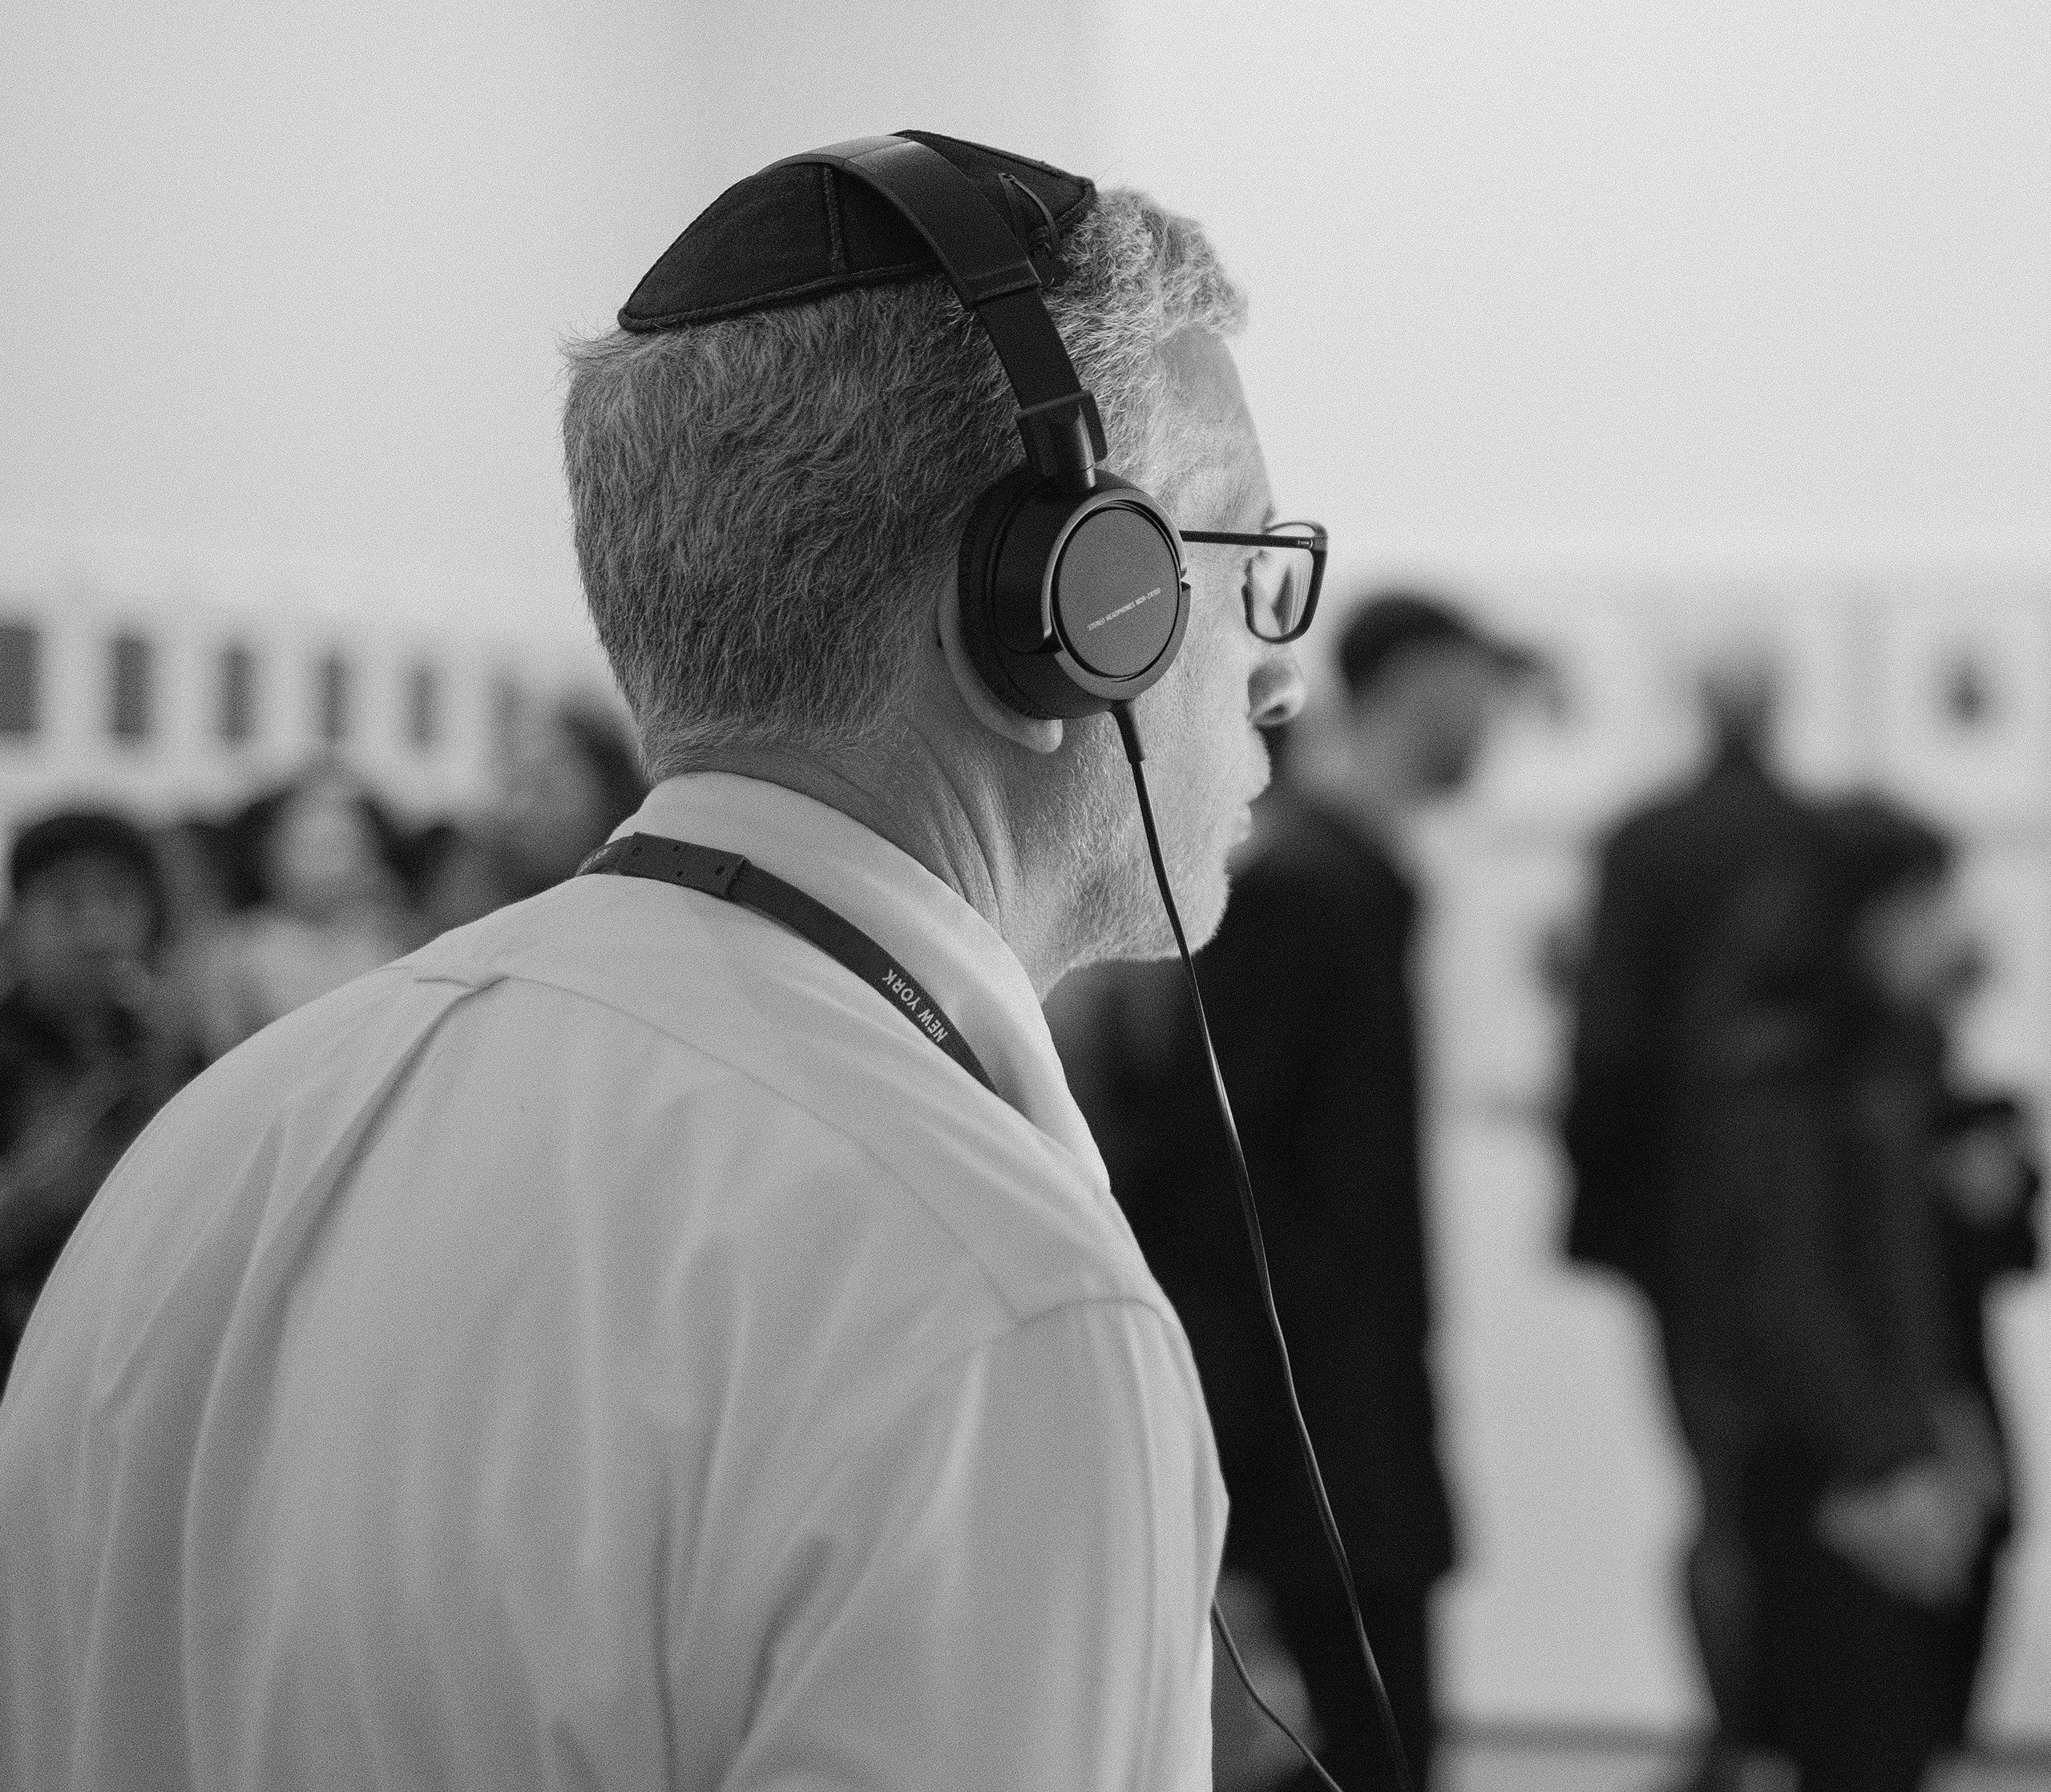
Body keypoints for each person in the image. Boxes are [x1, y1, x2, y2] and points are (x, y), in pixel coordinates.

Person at [0, 134, 1307, 1790]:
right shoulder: (991, 1305)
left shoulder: (214, 1153)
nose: (1277, 681)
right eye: (1244, 564)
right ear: (1062, 607)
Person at [1090, 591, 1534, 1792]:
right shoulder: (1309, 891)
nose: (1493, 716)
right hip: (1317, 1430)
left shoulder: (1352, 879)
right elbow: (1213, 1173)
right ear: (1418, 680)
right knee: (1362, 1749)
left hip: (1352, 1412)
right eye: (1480, 683)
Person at [1678, 797, 2044, 1792]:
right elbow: (1792, 1297)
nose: (1948, 933)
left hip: (1891, 1441)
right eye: (1927, 907)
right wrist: (1891, 1459)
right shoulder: (1780, 1077)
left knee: (1898, 1741)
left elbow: (1946, 1265)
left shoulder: (1888, 1064)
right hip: (1825, 1464)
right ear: (1860, 918)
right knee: (1862, 1745)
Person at [1562, 640, 1823, 1790]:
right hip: (1796, 1214)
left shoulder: (1648, 841)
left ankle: (1739, 1729)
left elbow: (1608, 1041)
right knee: (1786, 1476)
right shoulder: (1818, 841)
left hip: (1682, 1219)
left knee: (1716, 1485)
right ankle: (1787, 1723)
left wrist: (1596, 1200)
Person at [0, 808, 202, 1387]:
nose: (95, 930)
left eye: (116, 899)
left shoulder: (175, 1049)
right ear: (18, 923)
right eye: (67, 903)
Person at [189, 761, 422, 1050]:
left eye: (342, 845)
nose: (329, 865)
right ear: (269, 852)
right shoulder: (239, 951)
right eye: (311, 845)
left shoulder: (387, 945)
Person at [421, 697, 651, 926]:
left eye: (546, 788)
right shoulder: (476, 877)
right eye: (516, 784)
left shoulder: (635, 902)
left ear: (607, 793)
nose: (521, 808)